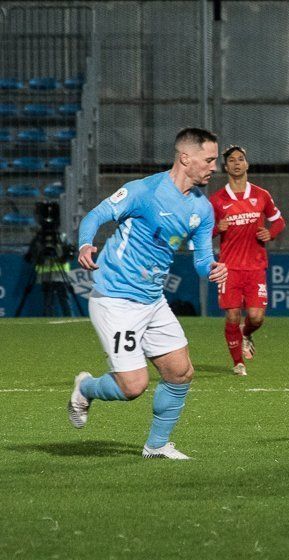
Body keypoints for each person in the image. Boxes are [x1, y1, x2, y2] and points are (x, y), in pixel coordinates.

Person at [68, 128, 228, 460]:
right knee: (133, 387)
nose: (215, 167)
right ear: (186, 158)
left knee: (180, 372)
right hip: (115, 299)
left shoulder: (203, 208)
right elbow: (96, 215)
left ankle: (156, 446)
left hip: (152, 300)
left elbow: (201, 259)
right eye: (210, 159)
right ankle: (85, 387)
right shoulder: (144, 191)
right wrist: (85, 243)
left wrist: (212, 268)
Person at [209, 145, 286, 377]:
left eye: (240, 159)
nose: (236, 163)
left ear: (247, 164)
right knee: (232, 314)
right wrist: (216, 228)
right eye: (231, 160)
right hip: (228, 267)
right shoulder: (217, 200)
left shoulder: (261, 195)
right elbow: (202, 233)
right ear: (226, 167)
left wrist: (270, 234)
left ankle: (246, 332)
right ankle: (238, 363)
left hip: (255, 267)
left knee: (256, 317)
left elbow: (279, 221)